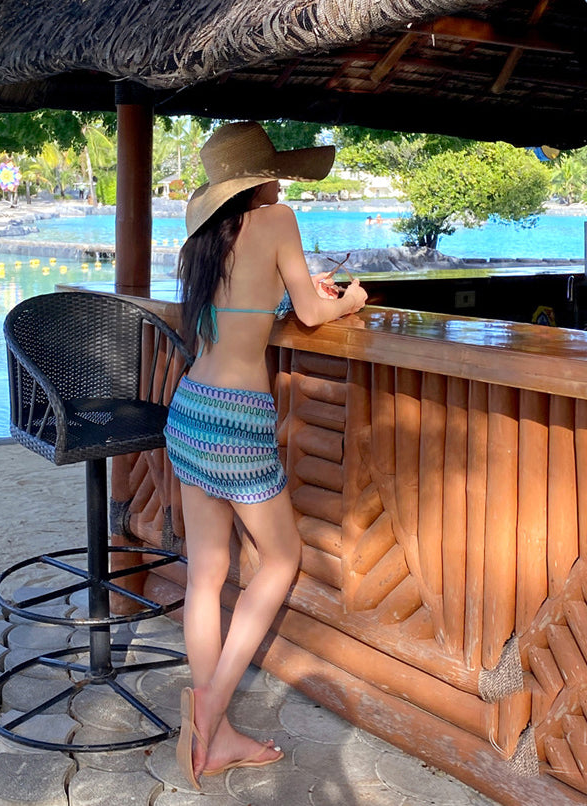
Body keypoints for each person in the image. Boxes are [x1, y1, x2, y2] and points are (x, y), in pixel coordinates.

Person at [163, 121, 368, 790]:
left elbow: (238, 310)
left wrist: (289, 292)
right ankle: (209, 709)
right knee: (281, 559)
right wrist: (350, 301)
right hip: (237, 420)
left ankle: (216, 733)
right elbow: (309, 313)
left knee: (206, 573)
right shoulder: (278, 219)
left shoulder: (204, 240)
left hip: (190, 408)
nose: (281, 181)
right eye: (274, 171)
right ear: (258, 180)